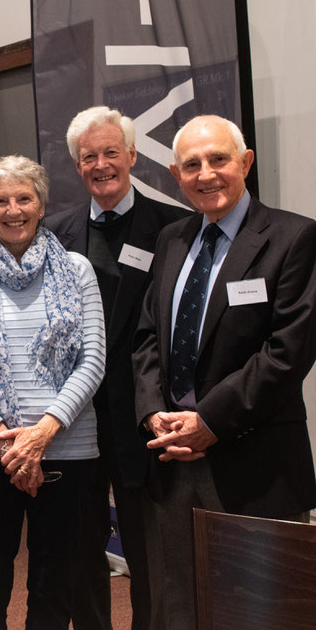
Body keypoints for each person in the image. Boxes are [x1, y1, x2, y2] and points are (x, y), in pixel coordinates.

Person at [132, 114, 316, 630]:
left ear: (246, 162)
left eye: (219, 159)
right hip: (170, 459)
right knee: (179, 607)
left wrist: (208, 421)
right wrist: (153, 414)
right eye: (191, 165)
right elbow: (147, 338)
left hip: (254, 463)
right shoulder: (171, 239)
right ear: (175, 174)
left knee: (262, 611)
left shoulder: (293, 237)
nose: (206, 174)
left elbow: (287, 353)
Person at [0, 155, 106, 629]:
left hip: (69, 453)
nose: (13, 210)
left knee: (56, 585)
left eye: (23, 198)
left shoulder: (77, 271)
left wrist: (42, 434)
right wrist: (8, 441)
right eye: (0, 201)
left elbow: (91, 361)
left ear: (41, 203)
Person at [44, 106, 189, 630]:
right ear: (76, 166)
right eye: (88, 157)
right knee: (82, 551)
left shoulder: (174, 227)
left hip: (144, 413)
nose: (101, 164)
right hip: (75, 417)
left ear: (132, 155)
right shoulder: (54, 233)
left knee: (149, 551)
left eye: (111, 152)